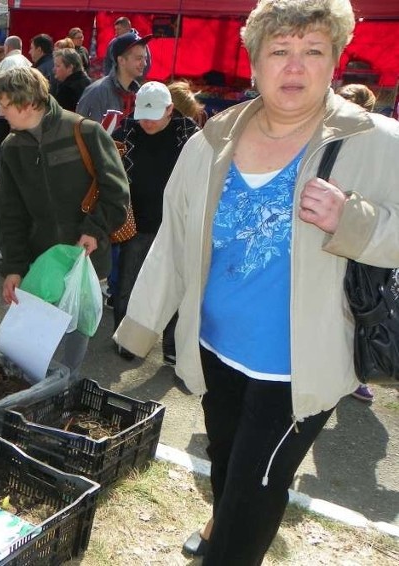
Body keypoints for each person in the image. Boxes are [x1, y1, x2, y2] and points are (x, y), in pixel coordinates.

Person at [113, 1, 399, 563]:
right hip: (216, 348)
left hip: (299, 365)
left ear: (335, 59)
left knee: (256, 494)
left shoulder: (378, 142)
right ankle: (223, 524)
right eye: (280, 51)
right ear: (253, 64)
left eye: (313, 50)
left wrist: (355, 220)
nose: (295, 67)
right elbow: (173, 238)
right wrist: (141, 325)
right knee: (225, 464)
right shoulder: (209, 142)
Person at [0, 66, 129, 375]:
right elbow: (9, 214)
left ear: (28, 104)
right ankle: (39, 395)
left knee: (73, 347)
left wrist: (95, 230)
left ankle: (63, 393)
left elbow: (116, 192)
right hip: (40, 264)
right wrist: (13, 267)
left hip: (85, 259)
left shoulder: (85, 131)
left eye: (5, 104)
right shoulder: (11, 148)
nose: (1, 112)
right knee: (35, 347)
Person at [110, 81, 199, 364]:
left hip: (177, 225)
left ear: (170, 109)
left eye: (154, 114)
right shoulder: (127, 131)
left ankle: (171, 346)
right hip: (138, 223)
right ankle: (127, 338)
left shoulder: (191, 136)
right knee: (128, 283)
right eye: (142, 114)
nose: (146, 121)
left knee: (178, 288)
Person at [336, 82, 377, 404]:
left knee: (357, 308)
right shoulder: (327, 139)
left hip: (358, 239)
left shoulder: (378, 145)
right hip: (326, 237)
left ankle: (358, 372)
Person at [0, 36, 32, 261]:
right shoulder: (26, 64)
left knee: (5, 190)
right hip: (9, 127)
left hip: (7, 126)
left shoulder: (6, 66)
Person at [77, 32, 151, 123]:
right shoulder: (98, 92)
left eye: (145, 58)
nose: (144, 63)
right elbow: (84, 133)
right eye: (139, 58)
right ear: (121, 60)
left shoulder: (138, 94)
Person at [52, 48, 90, 113]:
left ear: (70, 67)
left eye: (57, 66)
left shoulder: (67, 90)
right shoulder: (88, 82)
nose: (54, 69)